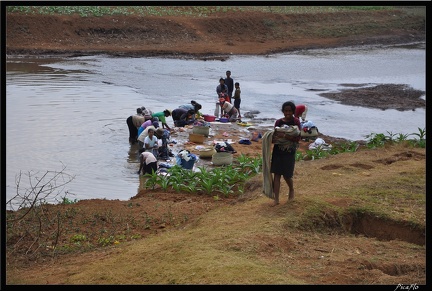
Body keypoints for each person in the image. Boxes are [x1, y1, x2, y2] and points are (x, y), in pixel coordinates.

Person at [268, 101, 301, 206]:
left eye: (290, 111)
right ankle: (276, 199)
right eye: (286, 111)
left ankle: (291, 189)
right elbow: (274, 137)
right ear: (283, 111)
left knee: (287, 175)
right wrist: (273, 138)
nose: (288, 113)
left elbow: (297, 138)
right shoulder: (278, 123)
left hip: (289, 151)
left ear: (293, 111)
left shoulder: (296, 122)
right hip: (278, 150)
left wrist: (284, 136)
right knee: (277, 174)